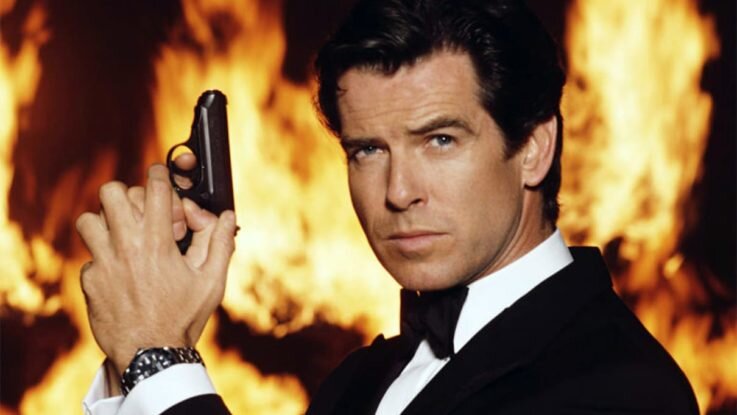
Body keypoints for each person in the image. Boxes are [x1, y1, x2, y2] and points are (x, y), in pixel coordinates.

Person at [77, 0, 699, 414]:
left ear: (534, 149)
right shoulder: (358, 382)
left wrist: (159, 359)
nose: (399, 191)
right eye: (368, 150)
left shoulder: (622, 389)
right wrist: (143, 330)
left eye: (440, 140)